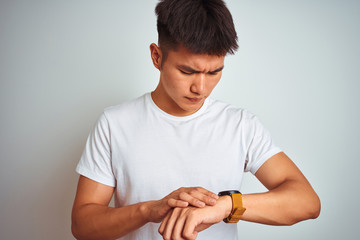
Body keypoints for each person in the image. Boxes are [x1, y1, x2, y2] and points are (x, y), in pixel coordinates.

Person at [71, 0, 321, 239]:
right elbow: (82, 226)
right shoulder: (115, 124)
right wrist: (147, 211)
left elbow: (307, 202)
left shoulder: (240, 125)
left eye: (214, 72)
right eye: (187, 71)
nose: (201, 88)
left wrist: (225, 206)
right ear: (157, 57)